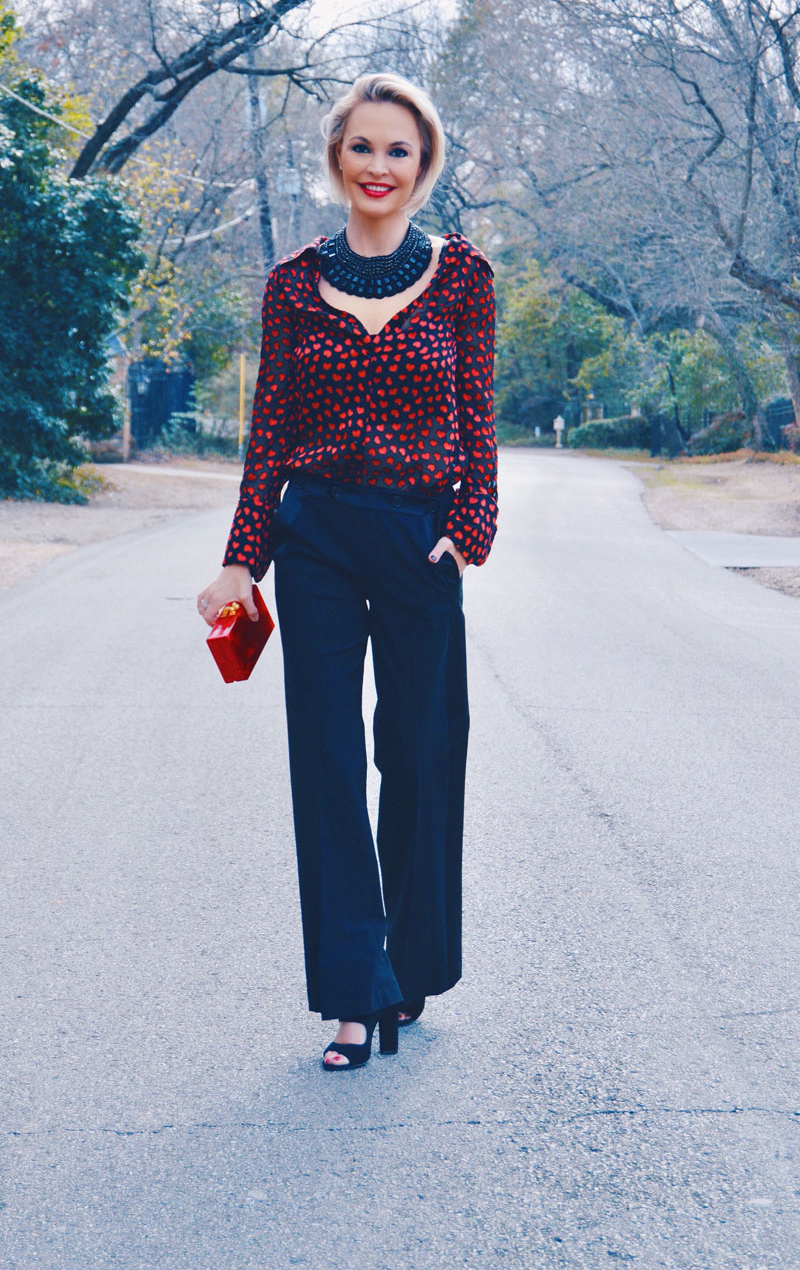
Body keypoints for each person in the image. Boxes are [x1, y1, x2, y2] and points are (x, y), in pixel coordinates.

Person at [197, 73, 497, 1070]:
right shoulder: (291, 284)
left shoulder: (462, 277)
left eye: (398, 150)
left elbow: (479, 422)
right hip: (316, 533)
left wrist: (470, 529)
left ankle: (409, 966)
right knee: (325, 759)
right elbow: (269, 434)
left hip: (418, 538)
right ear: (336, 157)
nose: (378, 166)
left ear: (424, 165)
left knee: (417, 752)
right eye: (361, 147)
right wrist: (245, 559)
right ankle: (352, 995)